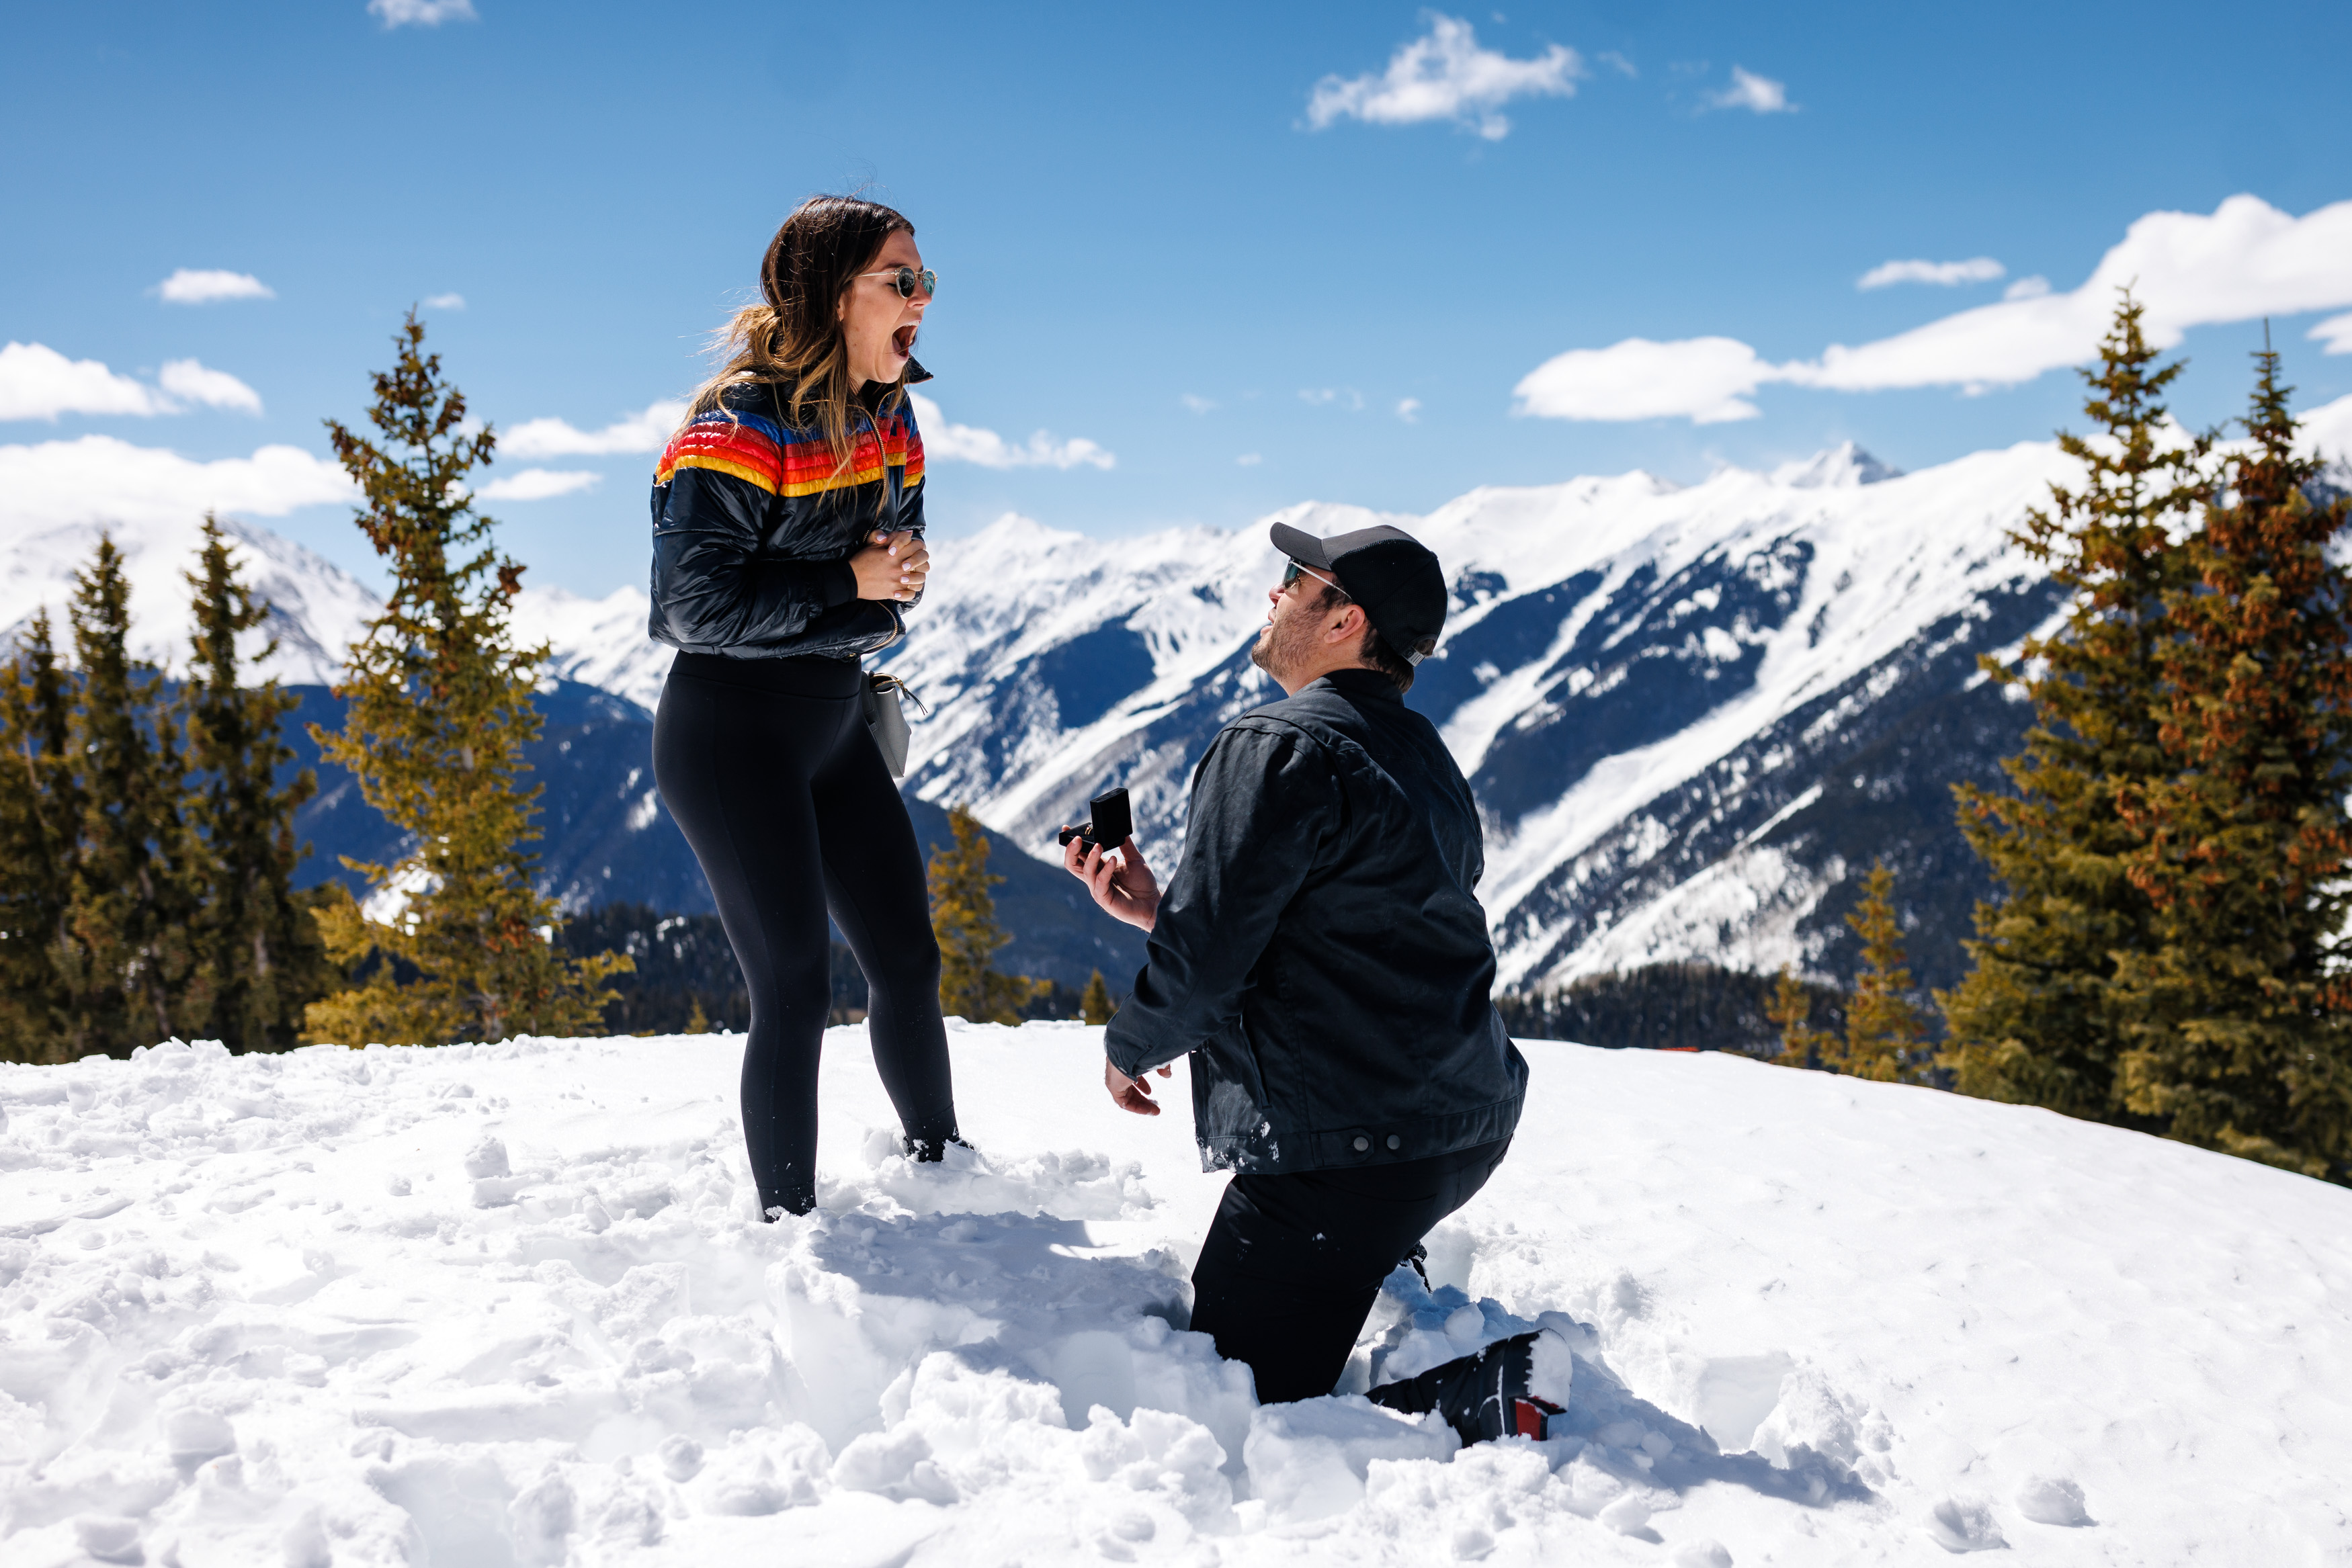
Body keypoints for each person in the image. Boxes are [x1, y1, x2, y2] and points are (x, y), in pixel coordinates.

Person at [1065, 522, 1557, 1438]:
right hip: (1461, 1120)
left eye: (1297, 580)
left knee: (1236, 1408)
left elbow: (1210, 961)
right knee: (1298, 1300)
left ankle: (1465, 1396)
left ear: (1346, 621)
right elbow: (1352, 929)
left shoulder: (1273, 745)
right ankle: (1370, 1275)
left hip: (1345, 1153)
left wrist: (1131, 1043)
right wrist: (1162, 911)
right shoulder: (1419, 751)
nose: (1275, 593)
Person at [648, 194, 962, 1221]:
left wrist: (897, 570)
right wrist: (852, 585)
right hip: (731, 729)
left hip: (834, 718)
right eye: (900, 281)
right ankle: (791, 1232)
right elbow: (689, 608)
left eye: (927, 282)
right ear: (834, 296)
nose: (923, 299)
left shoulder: (894, 414)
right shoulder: (735, 423)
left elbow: (888, 555)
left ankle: (944, 1168)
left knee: (907, 957)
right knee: (793, 978)